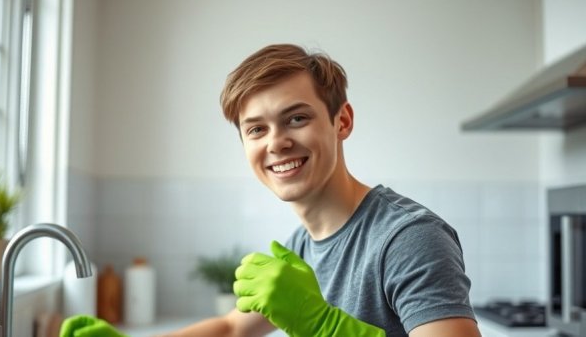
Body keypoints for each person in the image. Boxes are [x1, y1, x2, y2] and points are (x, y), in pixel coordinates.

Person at [60, 44, 482, 337]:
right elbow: (231, 328)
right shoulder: (302, 246)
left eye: (296, 118)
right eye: (256, 129)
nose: (276, 142)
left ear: (342, 121)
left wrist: (322, 326)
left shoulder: (409, 239)